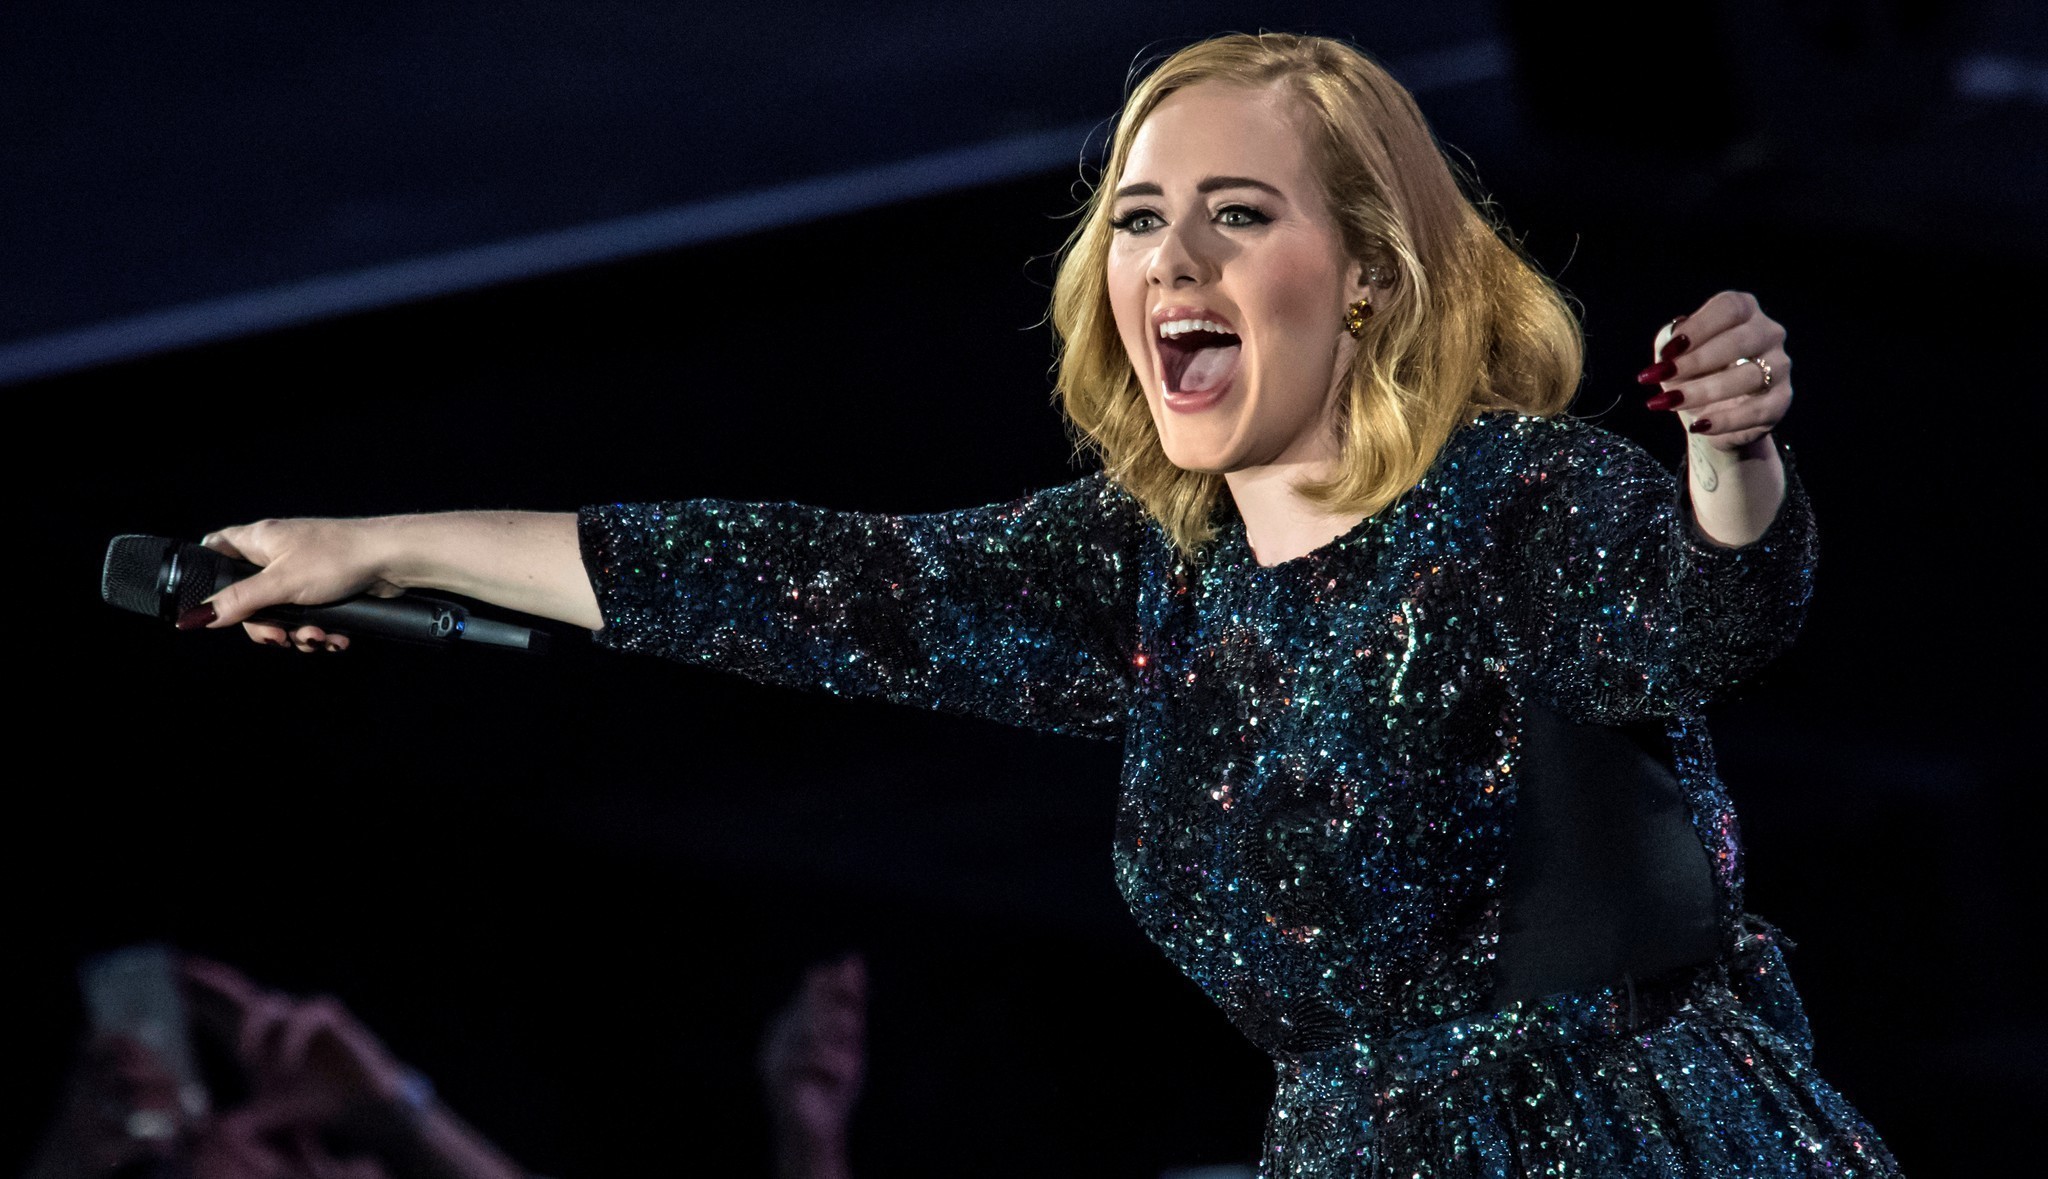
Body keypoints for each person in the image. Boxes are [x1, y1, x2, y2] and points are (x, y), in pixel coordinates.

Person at [184, 31, 1901, 1177]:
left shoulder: (1518, 496)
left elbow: (1699, 617)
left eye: (1240, 215)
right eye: (1143, 220)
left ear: (1371, 276)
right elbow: (793, 583)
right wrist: (378, 546)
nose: (1176, 260)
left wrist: (1732, 454)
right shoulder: (1149, 570)